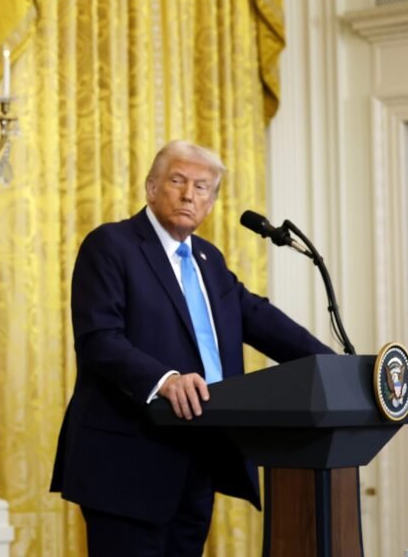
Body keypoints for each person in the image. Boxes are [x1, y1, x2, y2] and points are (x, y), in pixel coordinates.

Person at [49, 140, 333, 556]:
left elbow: (260, 318)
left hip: (198, 457)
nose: (189, 195)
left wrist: (334, 366)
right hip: (127, 464)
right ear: (150, 187)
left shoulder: (207, 260)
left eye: (202, 188)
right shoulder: (111, 245)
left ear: (212, 202)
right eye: (178, 181)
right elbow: (98, 338)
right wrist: (164, 380)